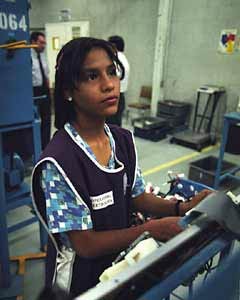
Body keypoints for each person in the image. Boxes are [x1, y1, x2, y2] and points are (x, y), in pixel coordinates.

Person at [31, 37, 211, 297]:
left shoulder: (122, 140)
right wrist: (150, 229)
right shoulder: (58, 162)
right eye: (92, 76)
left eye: (111, 72)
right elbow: (86, 245)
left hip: (123, 264)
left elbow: (136, 195)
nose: (109, 85)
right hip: (83, 282)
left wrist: (183, 207)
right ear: (68, 91)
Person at [31, 31, 51, 150]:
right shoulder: (27, 57)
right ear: (33, 42)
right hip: (34, 92)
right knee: (36, 121)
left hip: (45, 91)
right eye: (41, 43)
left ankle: (46, 146)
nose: (43, 45)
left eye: (44, 43)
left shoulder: (43, 57)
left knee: (47, 119)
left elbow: (47, 75)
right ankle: (36, 146)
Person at [106, 35, 130, 126]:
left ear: (114, 46)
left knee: (110, 127)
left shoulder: (116, 59)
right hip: (120, 97)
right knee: (115, 126)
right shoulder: (123, 58)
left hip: (113, 97)